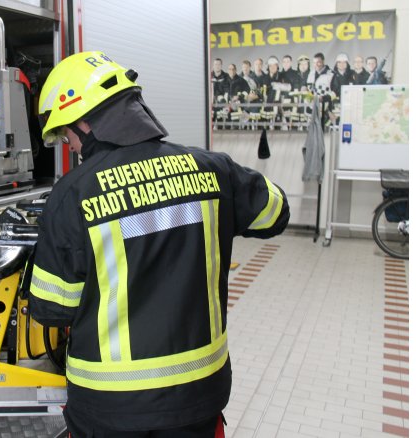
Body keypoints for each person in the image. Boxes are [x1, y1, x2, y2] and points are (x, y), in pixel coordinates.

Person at [30, 51, 290, 438]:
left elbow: (53, 309)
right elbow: (276, 213)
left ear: (86, 122)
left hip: (111, 406)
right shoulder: (214, 168)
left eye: (67, 133)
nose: (70, 146)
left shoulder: (73, 194)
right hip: (201, 394)